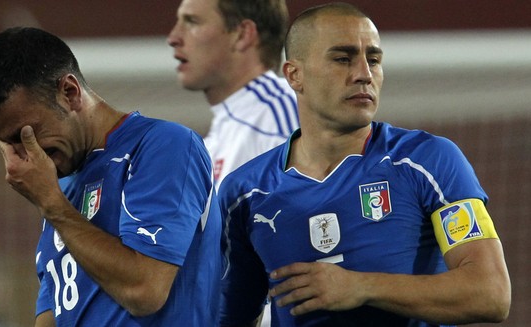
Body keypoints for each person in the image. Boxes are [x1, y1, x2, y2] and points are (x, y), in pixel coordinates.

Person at [217, 3, 511, 326]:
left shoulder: (427, 161)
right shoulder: (244, 194)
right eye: (343, 59)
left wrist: (361, 286)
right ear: (294, 75)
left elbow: (491, 292)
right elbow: (230, 317)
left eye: (373, 60)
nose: (363, 74)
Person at [0, 27, 222, 327]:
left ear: (69, 93)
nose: (26, 156)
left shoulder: (162, 147)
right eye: (9, 144)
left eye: (27, 135)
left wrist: (54, 206)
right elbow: (52, 316)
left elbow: (145, 290)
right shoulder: (60, 187)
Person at [168, 0, 300, 191]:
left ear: (242, 35)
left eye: (192, 22)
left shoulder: (276, 118)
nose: (173, 38)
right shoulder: (223, 133)